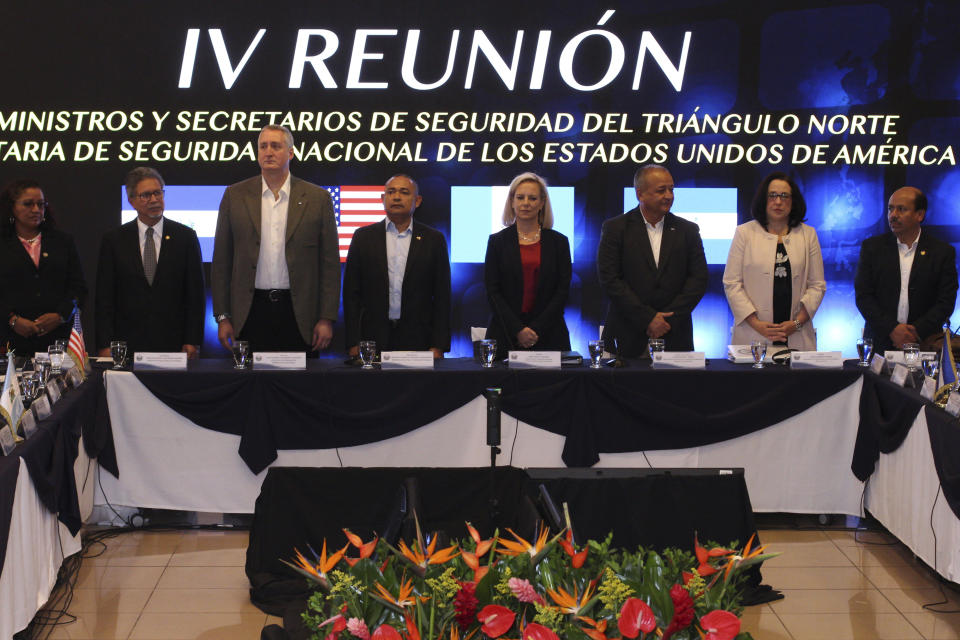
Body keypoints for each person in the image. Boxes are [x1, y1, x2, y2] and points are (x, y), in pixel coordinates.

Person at [211, 124, 340, 353]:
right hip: (249, 313)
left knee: (299, 386)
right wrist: (222, 316)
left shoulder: (318, 198)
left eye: (275, 146)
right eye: (263, 146)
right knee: (250, 386)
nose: (268, 152)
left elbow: (329, 264)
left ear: (290, 153)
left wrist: (327, 318)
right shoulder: (234, 195)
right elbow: (221, 261)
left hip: (301, 314)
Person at [597, 164, 707, 356]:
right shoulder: (615, 228)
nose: (669, 195)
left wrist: (666, 321)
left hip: (675, 335)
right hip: (626, 335)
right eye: (661, 190)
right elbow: (610, 279)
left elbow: (698, 280)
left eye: (671, 189)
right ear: (640, 194)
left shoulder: (688, 230)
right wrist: (647, 318)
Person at [95, 167, 205, 357]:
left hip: (173, 343)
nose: (154, 200)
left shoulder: (185, 237)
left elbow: (195, 295)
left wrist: (192, 340)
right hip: (127, 344)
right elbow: (104, 297)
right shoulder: (114, 240)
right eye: (146, 195)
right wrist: (105, 344)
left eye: (158, 192)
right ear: (131, 201)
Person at [342, 174, 451, 357]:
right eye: (391, 192)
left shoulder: (434, 239)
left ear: (417, 201)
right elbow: (351, 294)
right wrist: (353, 342)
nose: (397, 197)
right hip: (372, 339)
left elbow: (442, 296)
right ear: (383, 199)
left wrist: (438, 345)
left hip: (418, 340)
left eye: (404, 192)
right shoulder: (363, 237)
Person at [722, 172, 826, 351]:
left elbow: (817, 285)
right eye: (773, 195)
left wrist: (797, 323)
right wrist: (756, 324)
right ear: (764, 199)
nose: (778, 201)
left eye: (784, 196)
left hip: (797, 335)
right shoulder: (744, 233)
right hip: (753, 334)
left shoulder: (808, 235)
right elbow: (732, 284)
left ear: (793, 201)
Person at [855, 186, 958, 353]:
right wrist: (893, 330)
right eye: (890, 209)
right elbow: (863, 296)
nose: (893, 215)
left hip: (925, 343)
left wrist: (914, 332)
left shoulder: (942, 252)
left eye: (901, 209)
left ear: (920, 215)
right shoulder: (872, 248)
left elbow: (946, 301)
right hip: (880, 344)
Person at [484, 172, 571, 359]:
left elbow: (562, 291)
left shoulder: (559, 242)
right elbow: (493, 291)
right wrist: (518, 329)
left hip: (549, 333)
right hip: (506, 333)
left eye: (532, 198)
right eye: (520, 197)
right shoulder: (497, 242)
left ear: (542, 203)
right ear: (512, 202)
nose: (526, 203)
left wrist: (535, 328)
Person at [0, 179, 87, 356]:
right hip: (10, 341)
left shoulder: (63, 242)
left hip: (58, 341)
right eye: (28, 204)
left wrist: (60, 316)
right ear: (12, 207)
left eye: (41, 204)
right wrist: (13, 320)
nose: (36, 210)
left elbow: (78, 288)